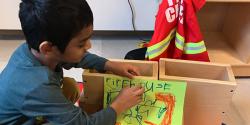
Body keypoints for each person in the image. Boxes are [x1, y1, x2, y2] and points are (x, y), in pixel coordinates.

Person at [0, 0, 144, 124]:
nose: (89, 46)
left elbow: (74, 58)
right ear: (48, 48)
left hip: (28, 107)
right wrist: (119, 105)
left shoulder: (37, 50)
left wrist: (109, 64)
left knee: (70, 86)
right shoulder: (36, 86)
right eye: (81, 44)